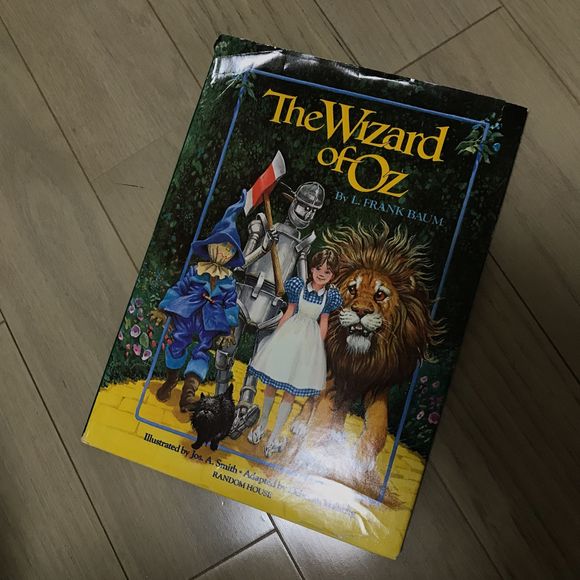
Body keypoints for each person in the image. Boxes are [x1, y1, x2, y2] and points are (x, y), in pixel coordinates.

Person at [151, 195, 245, 412]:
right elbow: (179, 288)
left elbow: (231, 305)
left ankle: (188, 394)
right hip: (186, 314)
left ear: (233, 254)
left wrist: (229, 330)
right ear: (209, 246)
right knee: (177, 344)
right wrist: (164, 308)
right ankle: (171, 379)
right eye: (219, 245)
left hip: (210, 322)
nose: (222, 252)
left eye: (229, 249)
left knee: (202, 351)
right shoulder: (196, 270)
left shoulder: (229, 281)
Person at [246, 249, 342, 457]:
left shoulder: (329, 297)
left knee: (290, 390)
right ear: (312, 269)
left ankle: (275, 435)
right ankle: (262, 425)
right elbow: (289, 311)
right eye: (318, 269)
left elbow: (323, 323)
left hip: (308, 341)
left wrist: (316, 348)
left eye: (327, 272)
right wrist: (277, 337)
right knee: (272, 383)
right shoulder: (298, 287)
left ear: (332, 275)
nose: (321, 274)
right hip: (289, 336)